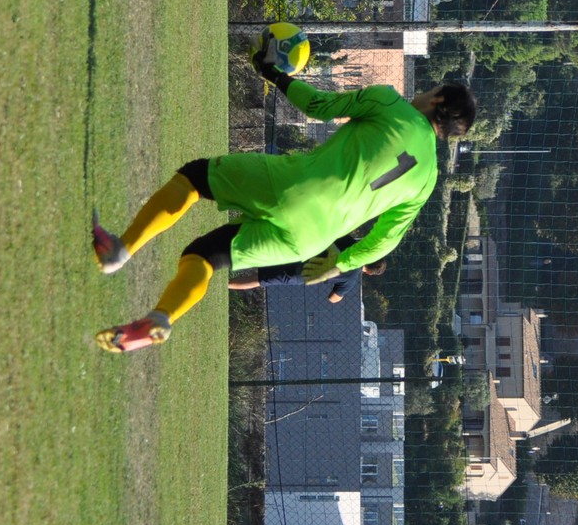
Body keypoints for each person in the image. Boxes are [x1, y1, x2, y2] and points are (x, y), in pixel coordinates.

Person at [91, 54, 476, 352]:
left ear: (438, 98)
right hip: (308, 240)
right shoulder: (427, 179)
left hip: (292, 186)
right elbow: (385, 241)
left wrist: (274, 74)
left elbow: (318, 106)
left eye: (432, 88)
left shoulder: (390, 102)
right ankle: (160, 318)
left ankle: (120, 251)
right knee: (205, 257)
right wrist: (339, 264)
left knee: (193, 179)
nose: (424, 91)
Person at [227, 242, 388, 304]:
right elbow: (333, 299)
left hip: (303, 250)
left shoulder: (351, 244)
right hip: (302, 273)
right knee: (259, 279)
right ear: (369, 273)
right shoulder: (351, 278)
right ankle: (226, 284)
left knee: (264, 252)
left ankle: (226, 253)